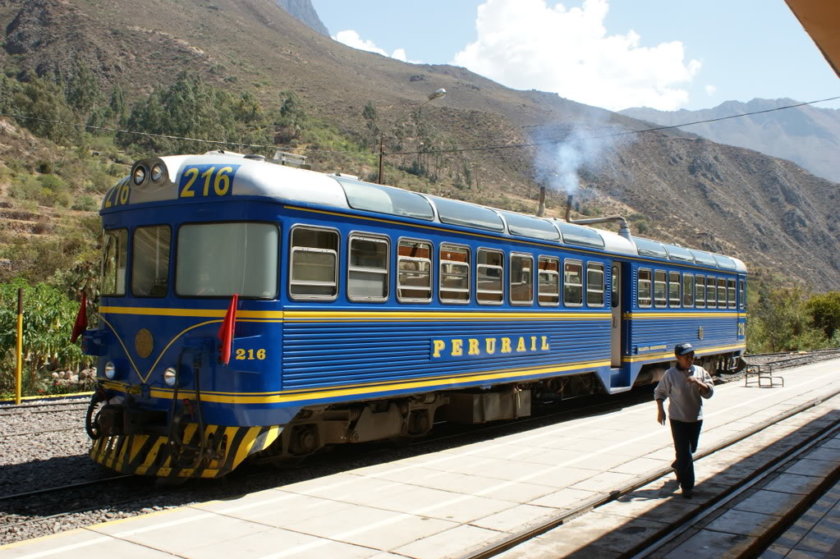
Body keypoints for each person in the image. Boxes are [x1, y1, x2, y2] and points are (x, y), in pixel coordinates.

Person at [654, 342, 714, 498]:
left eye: (691, 356)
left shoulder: (700, 372)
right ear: (677, 358)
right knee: (685, 453)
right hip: (677, 419)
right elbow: (660, 392)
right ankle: (687, 487)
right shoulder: (670, 374)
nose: (690, 359)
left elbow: (710, 392)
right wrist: (660, 410)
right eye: (686, 356)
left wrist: (698, 382)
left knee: (690, 450)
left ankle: (677, 465)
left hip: (695, 418)